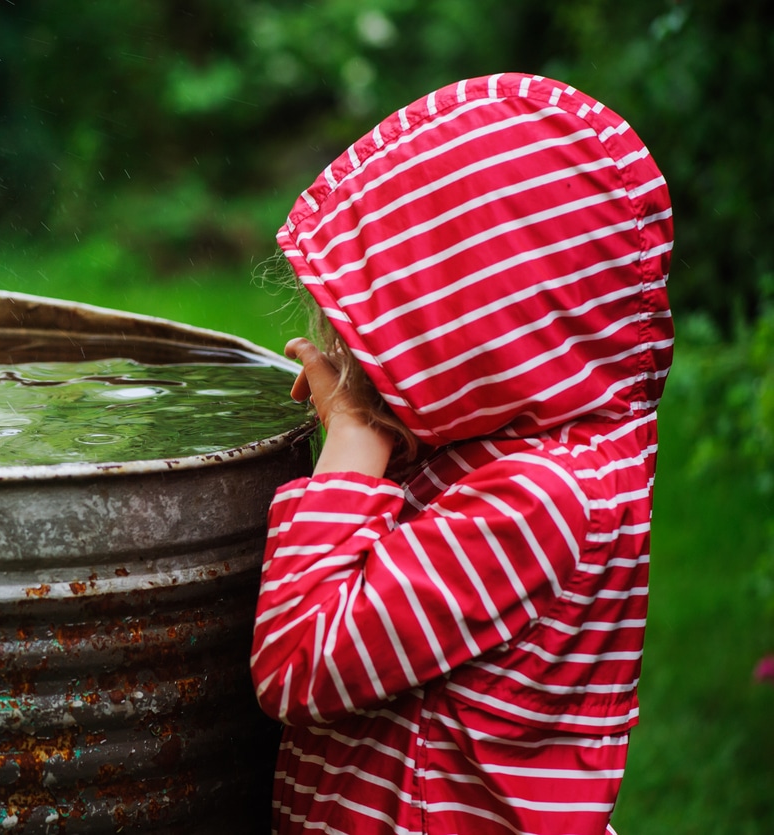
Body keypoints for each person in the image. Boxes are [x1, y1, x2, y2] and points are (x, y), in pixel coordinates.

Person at [249, 72, 673, 835]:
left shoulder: (537, 497)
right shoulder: (533, 446)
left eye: (384, 324)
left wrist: (350, 437)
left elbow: (298, 660)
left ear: (478, 325)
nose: (352, 349)